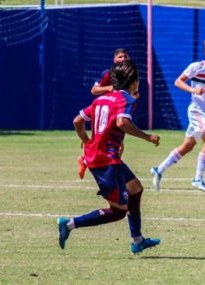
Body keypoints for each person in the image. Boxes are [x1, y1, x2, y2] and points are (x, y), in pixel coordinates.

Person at [58, 60, 161, 255]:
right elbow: (122, 122)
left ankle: (137, 241)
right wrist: (147, 137)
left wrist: (87, 141)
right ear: (133, 82)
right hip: (105, 161)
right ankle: (69, 224)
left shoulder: (101, 99)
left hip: (104, 157)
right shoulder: (126, 100)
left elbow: (77, 120)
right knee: (119, 211)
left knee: (136, 189)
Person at [150, 37, 205, 193]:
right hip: (197, 110)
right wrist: (193, 90)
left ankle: (159, 170)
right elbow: (178, 81)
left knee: (187, 147)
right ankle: (198, 178)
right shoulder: (197, 67)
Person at [77, 48, 131, 179]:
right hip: (105, 107)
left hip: (118, 108)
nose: (123, 59)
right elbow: (94, 90)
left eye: (125, 56)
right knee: (107, 144)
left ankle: (87, 161)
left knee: (118, 145)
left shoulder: (130, 75)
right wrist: (109, 88)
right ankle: (105, 175)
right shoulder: (108, 74)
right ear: (114, 60)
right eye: (120, 57)